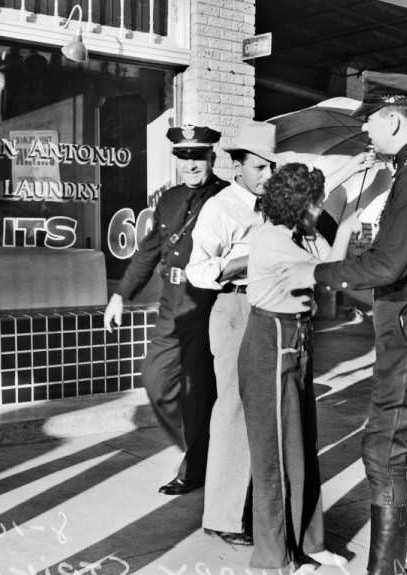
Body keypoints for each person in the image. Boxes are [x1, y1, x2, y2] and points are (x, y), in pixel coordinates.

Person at [277, 70, 407, 575]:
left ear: (391, 118)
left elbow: (388, 265)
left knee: (383, 447)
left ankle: (386, 570)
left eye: (369, 122)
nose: (365, 131)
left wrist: (315, 270)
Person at [239, 163, 360, 572]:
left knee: (301, 447)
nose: (320, 207)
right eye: (315, 202)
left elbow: (323, 257)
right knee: (272, 454)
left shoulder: (294, 234)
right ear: (300, 205)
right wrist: (343, 232)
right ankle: (273, 558)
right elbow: (331, 273)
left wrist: (352, 170)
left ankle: (310, 544)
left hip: (295, 340)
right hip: (270, 342)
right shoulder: (272, 239)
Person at [103, 125, 228, 496]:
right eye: (183, 157)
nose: (190, 165)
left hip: (206, 304)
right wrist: (121, 295)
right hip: (172, 302)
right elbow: (149, 250)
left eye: (197, 157)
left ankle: (196, 465)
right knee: (156, 381)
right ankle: (204, 448)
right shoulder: (170, 199)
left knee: (198, 392)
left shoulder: (225, 198)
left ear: (212, 158)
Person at [185, 120, 277, 546]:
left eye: (273, 168)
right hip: (234, 307)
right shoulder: (221, 208)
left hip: (270, 306)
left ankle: (256, 508)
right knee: (234, 407)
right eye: (259, 168)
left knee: (265, 409)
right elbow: (199, 270)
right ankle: (222, 516)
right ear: (237, 165)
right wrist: (243, 261)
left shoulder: (272, 205)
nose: (267, 177)